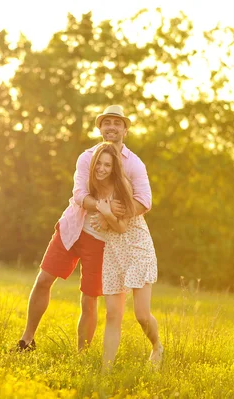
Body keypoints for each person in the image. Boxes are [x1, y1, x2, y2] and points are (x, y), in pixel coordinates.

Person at [14, 105, 154, 353]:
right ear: (100, 127)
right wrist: (104, 208)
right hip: (73, 227)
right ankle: (27, 340)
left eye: (117, 122)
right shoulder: (87, 157)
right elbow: (79, 195)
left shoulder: (134, 164)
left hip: (103, 240)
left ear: (125, 129)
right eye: (107, 122)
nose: (111, 127)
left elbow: (144, 201)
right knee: (44, 279)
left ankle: (82, 355)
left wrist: (110, 215)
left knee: (89, 299)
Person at [87, 142, 162, 372]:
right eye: (98, 163)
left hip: (137, 247)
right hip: (114, 251)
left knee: (141, 314)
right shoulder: (95, 190)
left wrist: (106, 214)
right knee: (112, 314)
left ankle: (157, 346)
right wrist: (104, 215)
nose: (101, 168)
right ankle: (105, 371)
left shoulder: (123, 187)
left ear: (114, 167)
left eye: (107, 165)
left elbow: (120, 227)